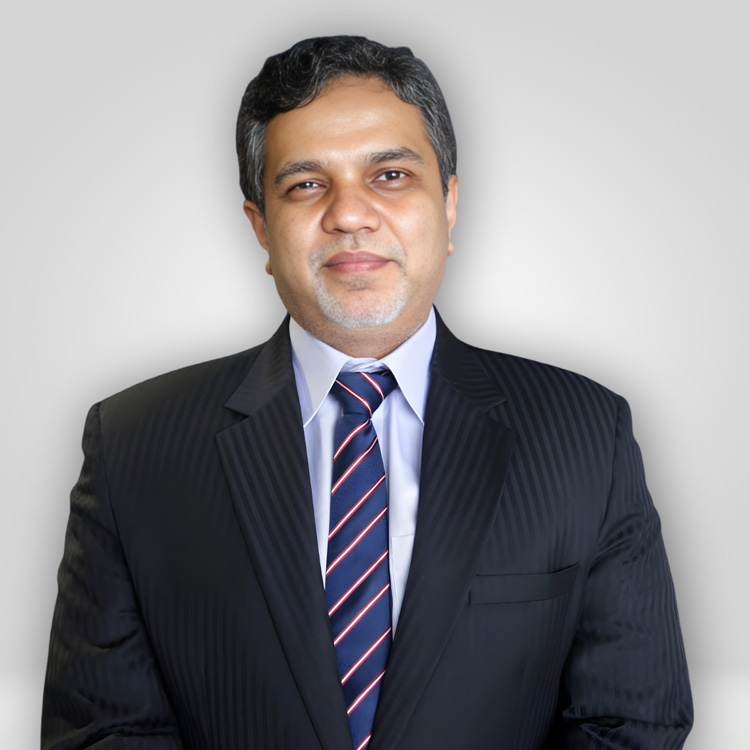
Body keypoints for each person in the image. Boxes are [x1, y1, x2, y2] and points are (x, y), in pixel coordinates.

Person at [42, 35, 693, 749]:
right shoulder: (134, 443)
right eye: (306, 184)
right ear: (261, 227)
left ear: (449, 204)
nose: (349, 214)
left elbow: (633, 722)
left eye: (389, 175)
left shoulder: (585, 433)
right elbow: (104, 732)